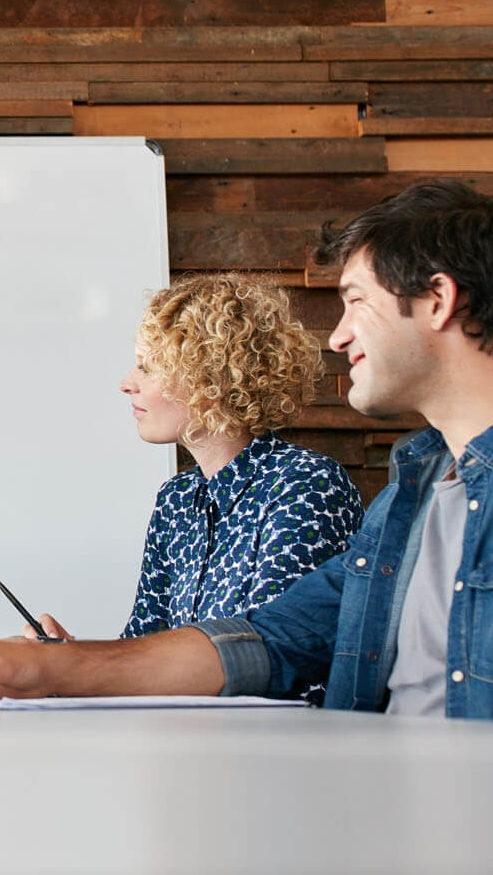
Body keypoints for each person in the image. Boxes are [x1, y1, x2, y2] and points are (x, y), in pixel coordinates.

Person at [0, 181, 493, 730]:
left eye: (354, 302)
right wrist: (50, 668)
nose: (338, 338)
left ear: (437, 300)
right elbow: (274, 640)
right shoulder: (413, 486)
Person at [25, 274, 362, 647]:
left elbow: (276, 654)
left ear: (210, 377)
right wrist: (69, 657)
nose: (126, 383)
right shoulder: (176, 499)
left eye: (147, 367)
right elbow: (143, 646)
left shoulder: (305, 485)